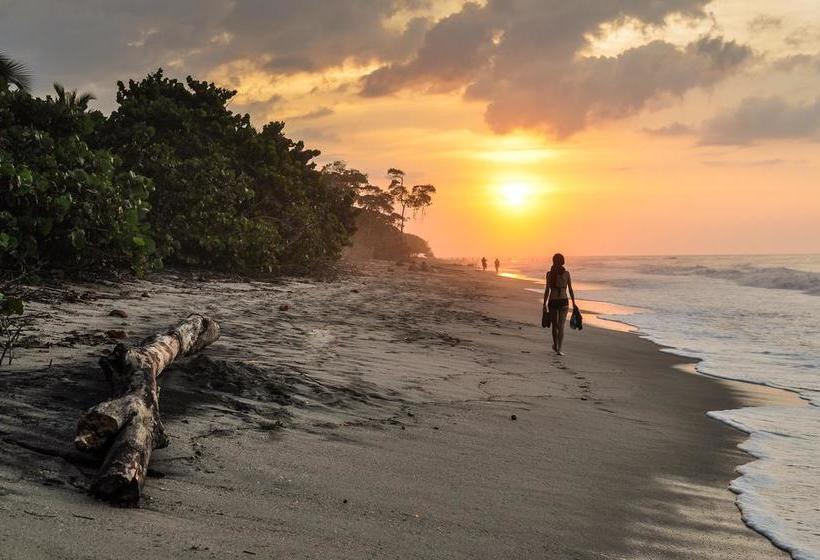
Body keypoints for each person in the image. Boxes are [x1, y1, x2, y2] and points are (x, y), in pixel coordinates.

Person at [542, 253, 577, 355]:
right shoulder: (567, 274)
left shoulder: (549, 274)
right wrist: (574, 303)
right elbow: (570, 289)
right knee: (561, 326)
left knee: (554, 325)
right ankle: (560, 349)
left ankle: (555, 345)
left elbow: (547, 290)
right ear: (563, 261)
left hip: (553, 301)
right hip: (563, 301)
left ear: (553, 261)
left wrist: (544, 304)